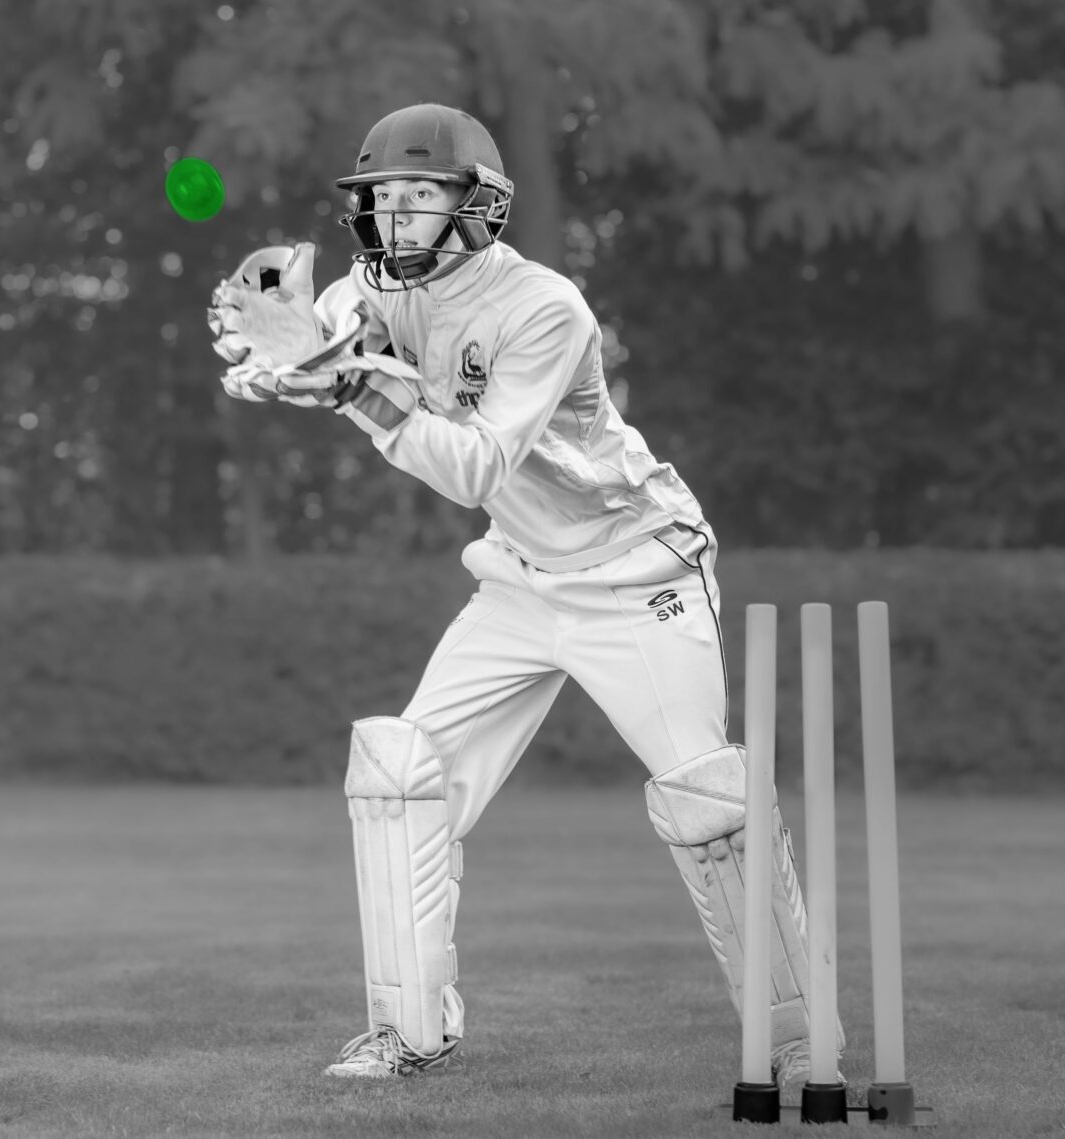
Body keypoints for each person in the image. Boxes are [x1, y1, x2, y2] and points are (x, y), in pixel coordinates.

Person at [205, 103, 839, 1099]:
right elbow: (318, 352)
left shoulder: (543, 308)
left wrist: (336, 385)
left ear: (478, 206)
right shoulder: (366, 289)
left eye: (419, 199)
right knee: (400, 775)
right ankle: (408, 1026)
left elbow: (471, 463)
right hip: (519, 578)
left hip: (637, 571)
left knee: (705, 799)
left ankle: (798, 1039)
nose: (393, 220)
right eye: (380, 201)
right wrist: (288, 363)